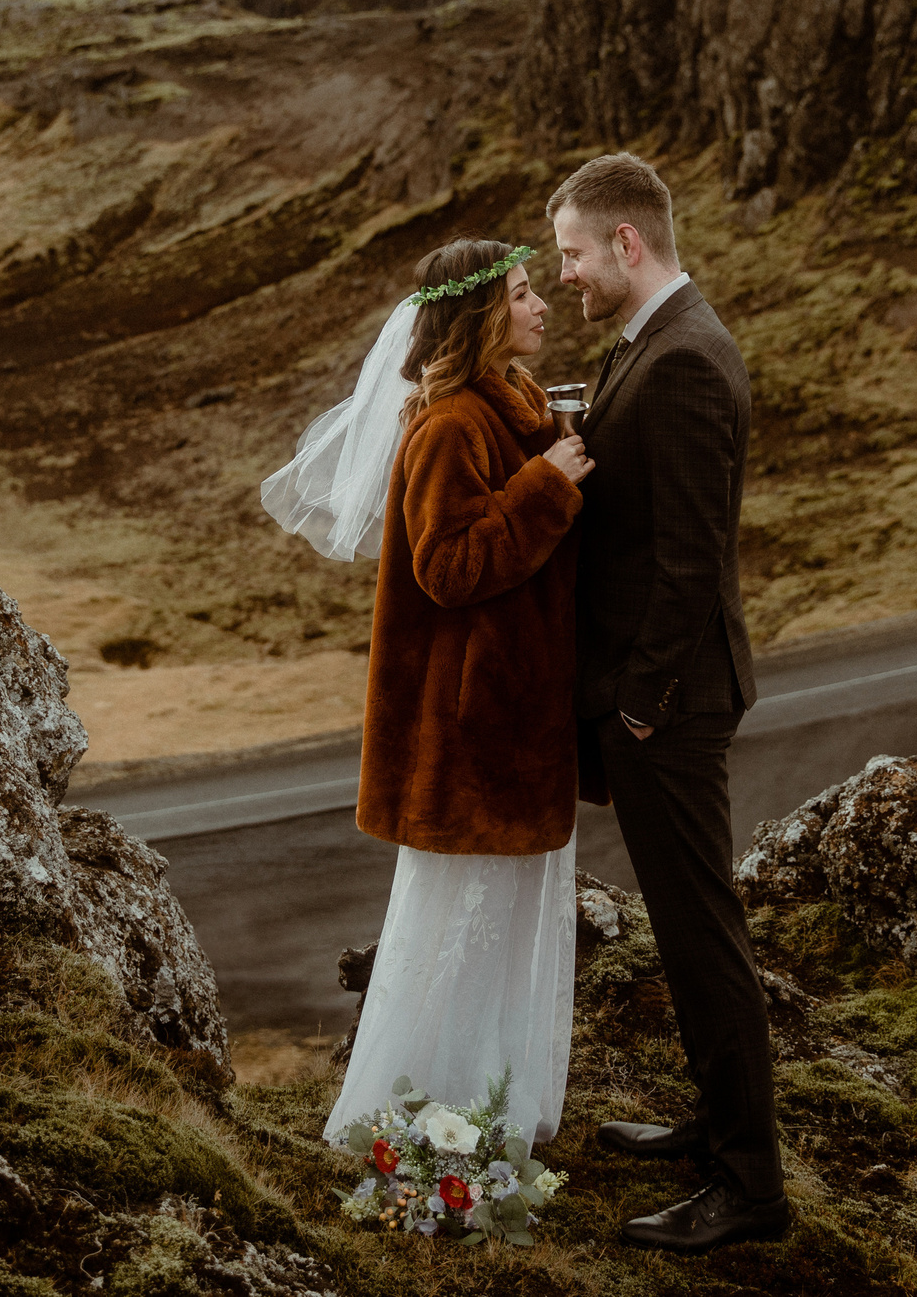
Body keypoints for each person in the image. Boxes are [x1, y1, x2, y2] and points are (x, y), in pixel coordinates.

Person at [260, 236, 598, 1148]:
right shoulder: (449, 422)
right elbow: (446, 566)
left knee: (506, 922)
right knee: (460, 926)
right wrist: (546, 485)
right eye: (524, 294)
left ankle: (487, 1099)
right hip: (471, 731)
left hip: (512, 722)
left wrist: (553, 459)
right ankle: (421, 1113)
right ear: (485, 314)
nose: (541, 305)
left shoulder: (513, 403)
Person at [548, 152, 788, 1251]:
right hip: (657, 699)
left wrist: (639, 703)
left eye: (573, 256)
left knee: (702, 936)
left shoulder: (688, 358)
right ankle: (712, 1126)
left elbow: (693, 557)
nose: (565, 278)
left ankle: (749, 1189)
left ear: (625, 244)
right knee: (691, 930)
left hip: (673, 704)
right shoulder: (647, 343)